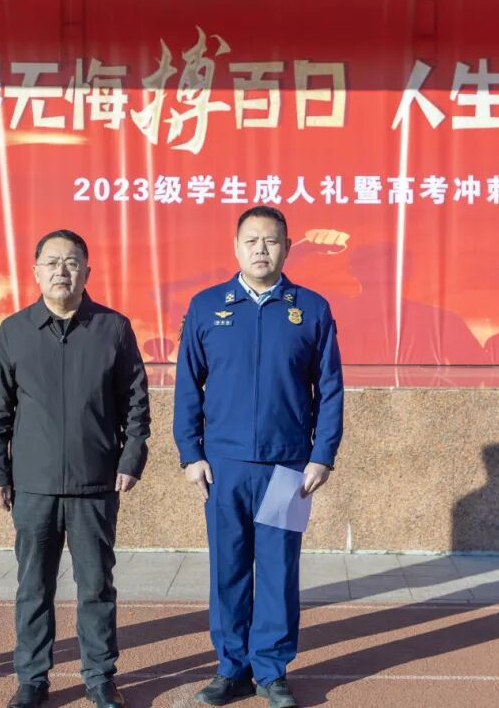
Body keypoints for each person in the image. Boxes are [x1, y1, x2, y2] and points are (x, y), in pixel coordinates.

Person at [174, 205, 343, 708]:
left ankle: (271, 671)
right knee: (227, 570)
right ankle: (231, 668)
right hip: (223, 467)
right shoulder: (207, 307)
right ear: (236, 248)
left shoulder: (310, 309)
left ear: (287, 248)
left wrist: (322, 455)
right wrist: (190, 453)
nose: (261, 250)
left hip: (288, 467)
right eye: (252, 241)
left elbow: (329, 389)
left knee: (277, 571)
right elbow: (187, 386)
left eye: (271, 241)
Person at [0, 230, 150, 708]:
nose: (61, 271)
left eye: (72, 262)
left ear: (87, 272)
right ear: (36, 271)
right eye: (52, 262)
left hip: (95, 483)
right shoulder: (15, 331)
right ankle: (32, 679)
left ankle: (100, 676)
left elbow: (136, 403)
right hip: (33, 486)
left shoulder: (113, 328)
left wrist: (131, 459)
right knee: (33, 588)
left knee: (96, 587)